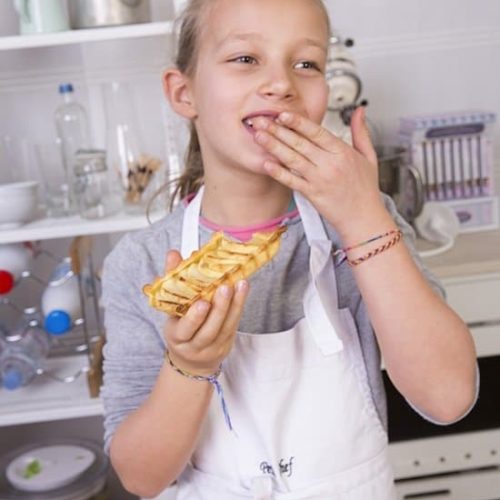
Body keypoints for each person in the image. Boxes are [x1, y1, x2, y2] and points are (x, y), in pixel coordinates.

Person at [100, 0, 478, 498]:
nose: (281, 84)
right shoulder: (143, 264)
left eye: (306, 63)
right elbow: (141, 478)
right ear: (183, 91)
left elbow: (448, 398)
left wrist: (363, 218)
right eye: (245, 59)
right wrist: (188, 368)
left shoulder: (364, 220)